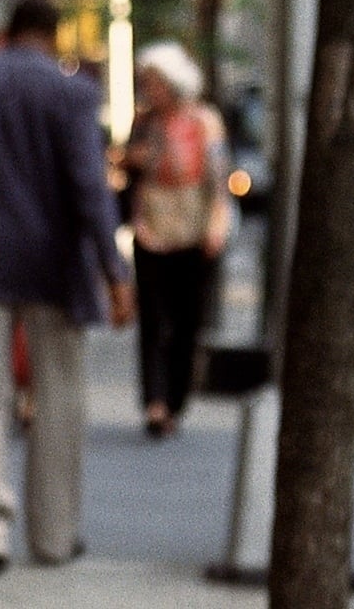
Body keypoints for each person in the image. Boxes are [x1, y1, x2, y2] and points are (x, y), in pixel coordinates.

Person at [0, 0, 134, 572]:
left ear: (10, 30)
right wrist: (115, 271)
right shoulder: (71, 92)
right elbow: (89, 185)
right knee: (59, 397)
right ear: (53, 37)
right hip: (55, 266)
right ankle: (53, 535)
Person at [123, 39, 230, 439]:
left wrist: (216, 224)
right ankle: (154, 400)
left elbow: (218, 177)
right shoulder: (145, 122)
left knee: (187, 320)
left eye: (154, 83)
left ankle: (175, 399)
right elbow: (130, 165)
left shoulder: (204, 120)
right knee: (153, 316)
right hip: (152, 225)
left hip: (192, 224)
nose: (149, 91)